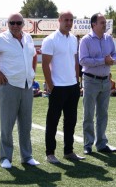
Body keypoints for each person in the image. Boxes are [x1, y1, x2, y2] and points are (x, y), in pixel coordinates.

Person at [0, 13, 39, 168]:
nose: (15, 26)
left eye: (18, 23)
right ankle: (5, 158)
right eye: (12, 23)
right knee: (7, 124)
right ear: (8, 24)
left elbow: (34, 56)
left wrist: (32, 74)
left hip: (26, 86)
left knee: (26, 124)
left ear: (23, 24)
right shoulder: (0, 39)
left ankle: (27, 156)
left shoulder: (28, 38)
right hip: (9, 86)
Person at [41, 11, 84, 163]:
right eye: (66, 19)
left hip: (72, 87)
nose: (69, 22)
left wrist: (77, 82)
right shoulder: (50, 40)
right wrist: (51, 86)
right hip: (57, 87)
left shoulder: (73, 39)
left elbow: (75, 61)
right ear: (59, 20)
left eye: (71, 20)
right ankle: (50, 153)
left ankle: (68, 151)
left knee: (71, 121)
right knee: (52, 121)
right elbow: (45, 64)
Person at [79, 13, 116, 154]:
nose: (104, 25)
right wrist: (104, 60)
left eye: (105, 22)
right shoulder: (86, 40)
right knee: (88, 114)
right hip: (90, 80)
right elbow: (83, 60)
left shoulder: (109, 39)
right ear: (93, 24)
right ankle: (88, 145)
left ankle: (101, 144)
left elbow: (115, 55)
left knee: (103, 114)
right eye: (102, 22)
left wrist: (112, 60)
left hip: (105, 81)